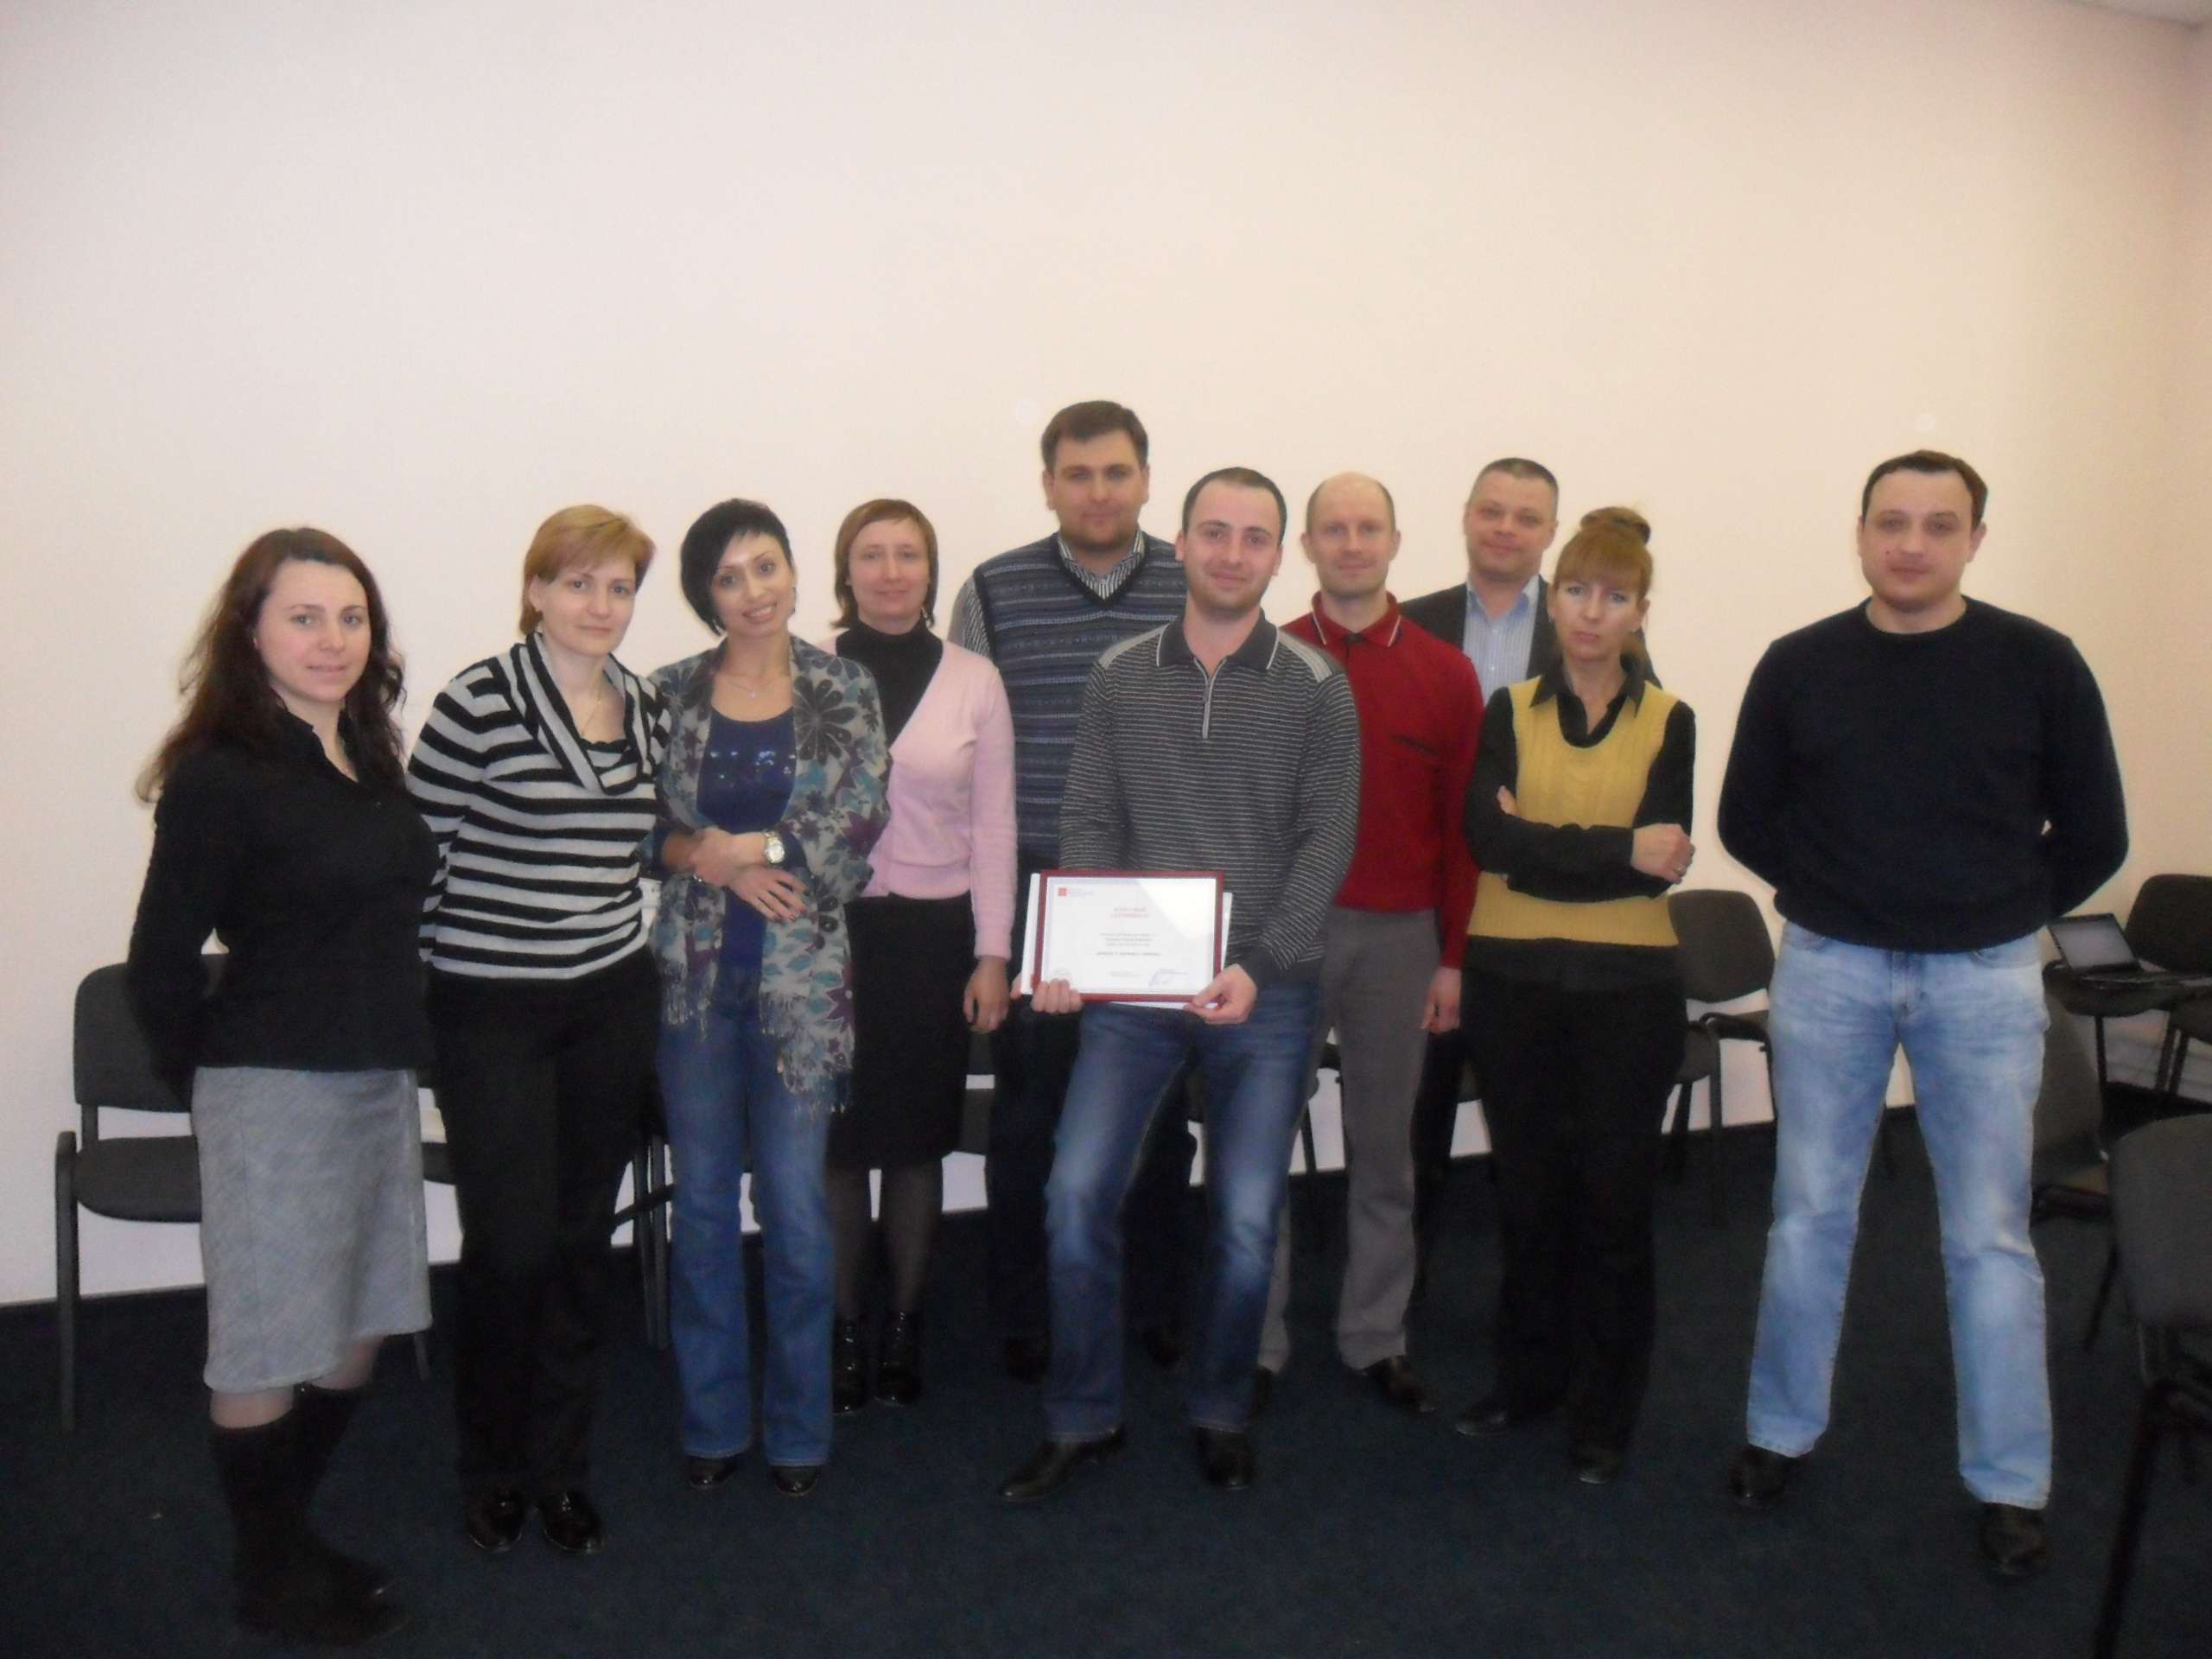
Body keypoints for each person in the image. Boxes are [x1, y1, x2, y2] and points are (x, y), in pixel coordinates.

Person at [1719, 451, 2126, 1578]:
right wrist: (1842, 895)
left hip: (1984, 978)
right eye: (1891, 522)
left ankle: (2009, 1481)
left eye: (1938, 525)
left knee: (1988, 1235)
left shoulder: (2039, 663)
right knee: (1807, 1214)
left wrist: (1997, 907)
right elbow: (1747, 817)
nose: (1911, 544)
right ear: (1859, 533)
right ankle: (1778, 1431)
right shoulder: (1799, 664)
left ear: (1974, 541)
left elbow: (2097, 833)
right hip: (1830, 969)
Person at [995, 466, 1359, 1503]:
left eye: (1253, 537)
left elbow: (1324, 845)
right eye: (1214, 532)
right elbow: (1090, 818)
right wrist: (1078, 954)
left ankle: (1219, 1407)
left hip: (1266, 991)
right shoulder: (1119, 674)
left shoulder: (1317, 689)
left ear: (1277, 555)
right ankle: (1082, 1416)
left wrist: (1259, 966)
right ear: (1183, 541)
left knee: (1244, 1219)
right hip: (1137, 995)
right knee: (1075, 1193)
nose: (1231, 553)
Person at [130, 528, 432, 1646]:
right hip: (271, 1088)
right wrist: (213, 1083)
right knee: (266, 1343)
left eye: (350, 617)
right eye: (303, 617)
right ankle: (269, 1575)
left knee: (359, 1329)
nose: (332, 639)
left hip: (376, 1079)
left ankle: (282, 1533)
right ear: (249, 632)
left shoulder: (368, 759)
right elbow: (160, 962)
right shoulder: (221, 775)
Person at [409, 505, 670, 1558]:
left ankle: (560, 1467)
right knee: (510, 1248)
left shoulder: (645, 708)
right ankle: (490, 1465)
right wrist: (416, 1009)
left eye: (618, 587)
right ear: (535, 592)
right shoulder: (477, 702)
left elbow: (639, 852)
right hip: (490, 1009)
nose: (599, 606)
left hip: (608, 1002)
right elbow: (416, 860)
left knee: (577, 1244)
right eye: (577, 583)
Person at [947, 399, 1198, 1381]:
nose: (1098, 492)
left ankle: (1156, 1301)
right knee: (1029, 1116)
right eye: (1078, 474)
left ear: (1147, 480)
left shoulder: (1194, 582)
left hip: (1160, 891)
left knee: (1159, 1118)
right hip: (1039, 885)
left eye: (1117, 472)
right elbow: (969, 756)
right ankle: (1028, 1310)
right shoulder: (993, 590)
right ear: (1048, 484)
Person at [651, 499, 889, 1498]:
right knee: (703, 1204)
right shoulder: (669, 693)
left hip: (802, 989)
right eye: (729, 577)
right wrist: (698, 857)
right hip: (695, 984)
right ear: (705, 597)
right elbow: (640, 825)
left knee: (793, 1205)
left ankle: (798, 1432)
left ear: (794, 571)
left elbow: (859, 822)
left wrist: (755, 850)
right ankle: (713, 1424)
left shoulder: (845, 686)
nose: (753, 591)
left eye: (766, 566)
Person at [1454, 506, 1695, 1486]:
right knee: (1527, 1193)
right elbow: (1488, 842)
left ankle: (1605, 1410)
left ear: (1641, 611)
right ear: (1552, 603)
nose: (1593, 613)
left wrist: (1544, 847)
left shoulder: (1670, 719)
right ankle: (1528, 1381)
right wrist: (1614, 849)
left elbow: (1659, 867)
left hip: (1628, 992)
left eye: (1616, 596)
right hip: (1509, 982)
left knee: (1613, 1203)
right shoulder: (1506, 709)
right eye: (1578, 592)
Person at [1257, 473, 1480, 1415]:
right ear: (1307, 546)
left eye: (1368, 529)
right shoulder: (1263, 658)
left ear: (1394, 542)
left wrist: (1453, 957)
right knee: (1257, 1148)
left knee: (1386, 1150)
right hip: (1283, 938)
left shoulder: (1445, 673)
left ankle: (1374, 1336)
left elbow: (1463, 832)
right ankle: (1255, 1340)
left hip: (1400, 940)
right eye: (1333, 530)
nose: (1352, 544)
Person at [822, 499, 1015, 1410]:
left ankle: (903, 1327)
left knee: (914, 1144)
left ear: (931, 571)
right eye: (873, 555)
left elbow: (995, 827)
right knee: (835, 1146)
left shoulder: (975, 680)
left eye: (908, 555)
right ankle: (840, 1328)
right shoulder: (805, 670)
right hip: (827, 941)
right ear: (846, 571)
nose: (891, 571)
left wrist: (993, 953)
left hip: (934, 943)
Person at [1400, 457, 1567, 1293]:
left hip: (1536, 919)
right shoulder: (1410, 625)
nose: (1506, 528)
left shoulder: (1589, 630)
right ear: (1466, 516)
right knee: (1415, 1125)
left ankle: (1533, 1306)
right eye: (1492, 511)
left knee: (1533, 1134)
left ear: (1551, 533)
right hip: (1427, 917)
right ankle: (1399, 1302)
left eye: (1526, 517)